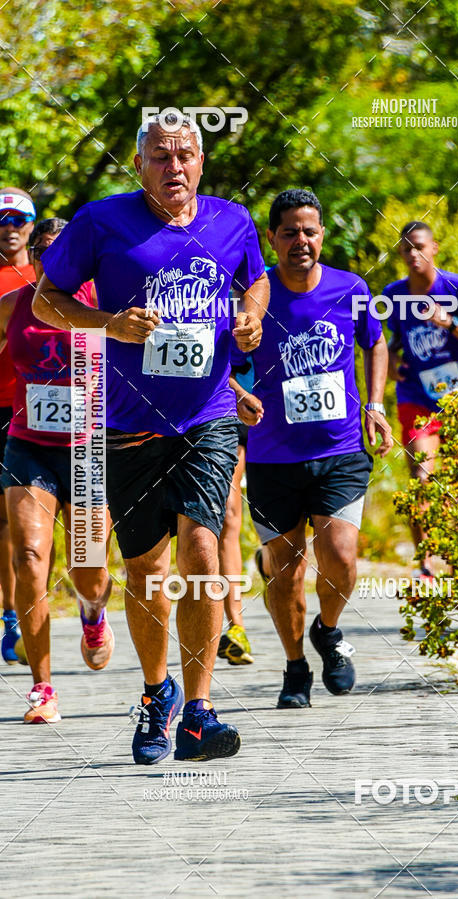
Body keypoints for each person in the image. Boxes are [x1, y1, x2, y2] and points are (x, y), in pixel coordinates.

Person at [35, 114, 269, 763]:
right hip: (128, 424)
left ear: (202, 162)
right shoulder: (100, 221)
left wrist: (250, 316)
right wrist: (108, 323)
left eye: (186, 155)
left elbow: (256, 279)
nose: (175, 168)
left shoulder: (233, 221)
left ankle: (199, 710)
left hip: (208, 414)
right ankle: (155, 692)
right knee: (146, 566)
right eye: (161, 157)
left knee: (201, 544)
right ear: (139, 165)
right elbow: (45, 300)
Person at [241, 188, 392, 709]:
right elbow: (220, 356)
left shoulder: (351, 287)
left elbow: (375, 341)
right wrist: (238, 395)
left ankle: (328, 631)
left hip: (341, 449)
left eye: (309, 230)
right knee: (284, 570)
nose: (300, 241)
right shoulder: (253, 295)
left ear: (322, 234)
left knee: (341, 557)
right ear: (272, 238)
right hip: (271, 456)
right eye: (289, 232)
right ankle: (294, 668)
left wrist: (375, 404)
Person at [0, 218, 113, 723]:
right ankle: (42, 687)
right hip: (29, 446)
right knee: (27, 556)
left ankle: (92, 612)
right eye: (43, 250)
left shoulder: (102, 301)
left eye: (61, 249)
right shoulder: (13, 305)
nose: (51, 258)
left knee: (87, 570)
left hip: (89, 448)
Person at [384, 221, 458, 578]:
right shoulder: (394, 294)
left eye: (419, 246)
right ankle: (425, 563)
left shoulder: (457, 288)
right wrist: (394, 365)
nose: (413, 254)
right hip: (416, 396)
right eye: (406, 248)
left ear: (434, 248)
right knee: (420, 473)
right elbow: (391, 345)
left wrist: (450, 324)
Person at [0, 188, 36, 664]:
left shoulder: (49, 273)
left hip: (44, 410)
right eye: (1, 219)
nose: (9, 227)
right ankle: (10, 616)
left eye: (18, 218)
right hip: (0, 405)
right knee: (5, 522)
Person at [216, 358, 263, 665]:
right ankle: (235, 627)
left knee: (231, 514)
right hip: (207, 401)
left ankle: (237, 627)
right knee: (226, 516)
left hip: (256, 399)